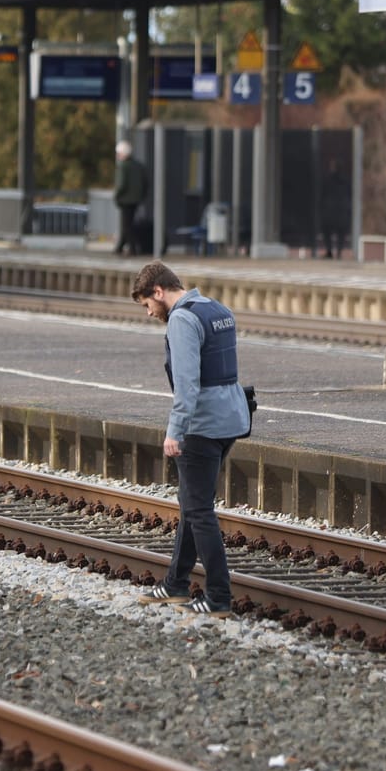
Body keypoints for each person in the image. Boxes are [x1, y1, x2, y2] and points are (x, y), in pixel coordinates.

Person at [130, 261, 250, 617]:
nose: (149, 313)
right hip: (232, 419)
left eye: (147, 305)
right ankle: (176, 584)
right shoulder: (217, 309)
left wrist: (175, 430)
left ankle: (218, 596)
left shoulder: (182, 320)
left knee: (199, 511)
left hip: (201, 425)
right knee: (193, 503)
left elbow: (187, 383)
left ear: (158, 291)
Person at [113, 140, 150, 256]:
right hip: (136, 200)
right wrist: (141, 196)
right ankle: (120, 247)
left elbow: (121, 184)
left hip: (125, 200)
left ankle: (133, 248)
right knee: (128, 223)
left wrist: (117, 196)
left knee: (126, 225)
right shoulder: (139, 166)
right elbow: (146, 183)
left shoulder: (123, 166)